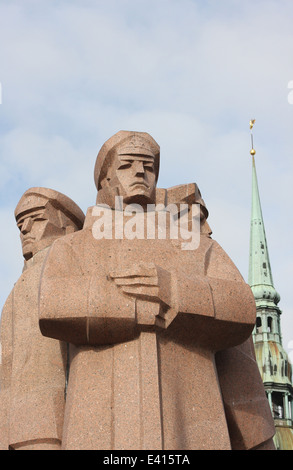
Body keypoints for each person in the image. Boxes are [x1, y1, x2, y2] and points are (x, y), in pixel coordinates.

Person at [39, 131, 275, 449]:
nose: (141, 172)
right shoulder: (74, 247)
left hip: (191, 420)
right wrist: (132, 306)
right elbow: (52, 303)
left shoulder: (199, 247)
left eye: (148, 166)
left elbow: (242, 305)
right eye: (127, 164)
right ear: (104, 180)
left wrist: (174, 291)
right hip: (100, 420)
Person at [0, 187, 84, 450]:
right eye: (20, 223)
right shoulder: (19, 284)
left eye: (36, 218)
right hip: (14, 422)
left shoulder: (69, 272)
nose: (24, 229)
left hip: (54, 422)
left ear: (68, 227)